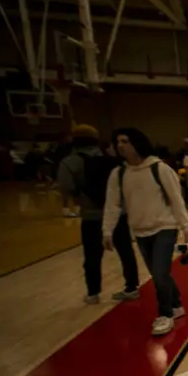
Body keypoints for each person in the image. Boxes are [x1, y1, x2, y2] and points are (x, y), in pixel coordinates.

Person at [103, 128, 188, 336]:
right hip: (141, 230)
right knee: (158, 273)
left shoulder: (159, 169)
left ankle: (165, 314)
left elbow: (176, 199)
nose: (120, 145)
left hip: (165, 227)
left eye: (125, 141)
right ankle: (177, 304)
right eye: (118, 141)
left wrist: (187, 228)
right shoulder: (119, 174)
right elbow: (112, 204)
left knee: (160, 274)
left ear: (137, 143)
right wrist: (107, 231)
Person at [57, 124, 140, 305]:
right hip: (118, 213)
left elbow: (66, 186)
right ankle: (132, 287)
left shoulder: (71, 162)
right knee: (126, 251)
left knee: (92, 256)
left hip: (92, 216)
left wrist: (81, 195)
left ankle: (93, 293)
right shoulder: (112, 159)